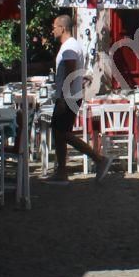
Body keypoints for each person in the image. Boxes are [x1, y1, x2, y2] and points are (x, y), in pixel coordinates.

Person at [49, 12, 108, 180]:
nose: (52, 30)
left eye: (54, 27)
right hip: (70, 96)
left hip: (67, 97)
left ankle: (99, 159)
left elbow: (71, 71)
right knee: (60, 132)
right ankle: (61, 172)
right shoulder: (72, 45)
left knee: (62, 133)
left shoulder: (69, 48)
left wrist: (63, 96)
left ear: (62, 28)